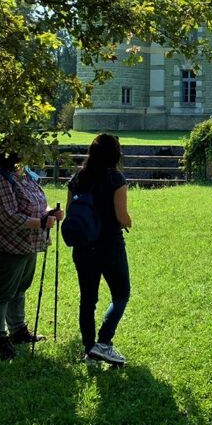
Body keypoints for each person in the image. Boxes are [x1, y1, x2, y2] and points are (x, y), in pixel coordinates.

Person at [0, 150, 62, 361]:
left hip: (29, 245)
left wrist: (50, 213)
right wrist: (41, 222)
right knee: (1, 295)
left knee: (19, 289)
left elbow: (38, 205)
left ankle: (17, 332)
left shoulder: (24, 177)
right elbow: (8, 217)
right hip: (7, 246)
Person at [66, 133, 133, 366]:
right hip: (109, 245)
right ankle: (103, 342)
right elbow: (121, 216)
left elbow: (69, 210)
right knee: (121, 294)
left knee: (88, 300)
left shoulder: (78, 177)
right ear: (115, 154)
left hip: (83, 246)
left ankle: (89, 350)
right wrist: (129, 222)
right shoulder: (116, 178)